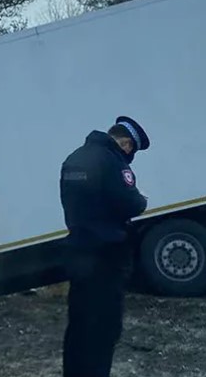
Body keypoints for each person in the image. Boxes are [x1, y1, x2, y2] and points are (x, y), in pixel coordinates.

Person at [60, 116, 150, 377]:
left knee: (78, 325)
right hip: (107, 258)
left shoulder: (73, 159)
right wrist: (142, 200)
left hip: (78, 252)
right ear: (125, 143)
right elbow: (130, 203)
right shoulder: (112, 161)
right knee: (104, 329)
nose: (129, 155)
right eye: (131, 149)